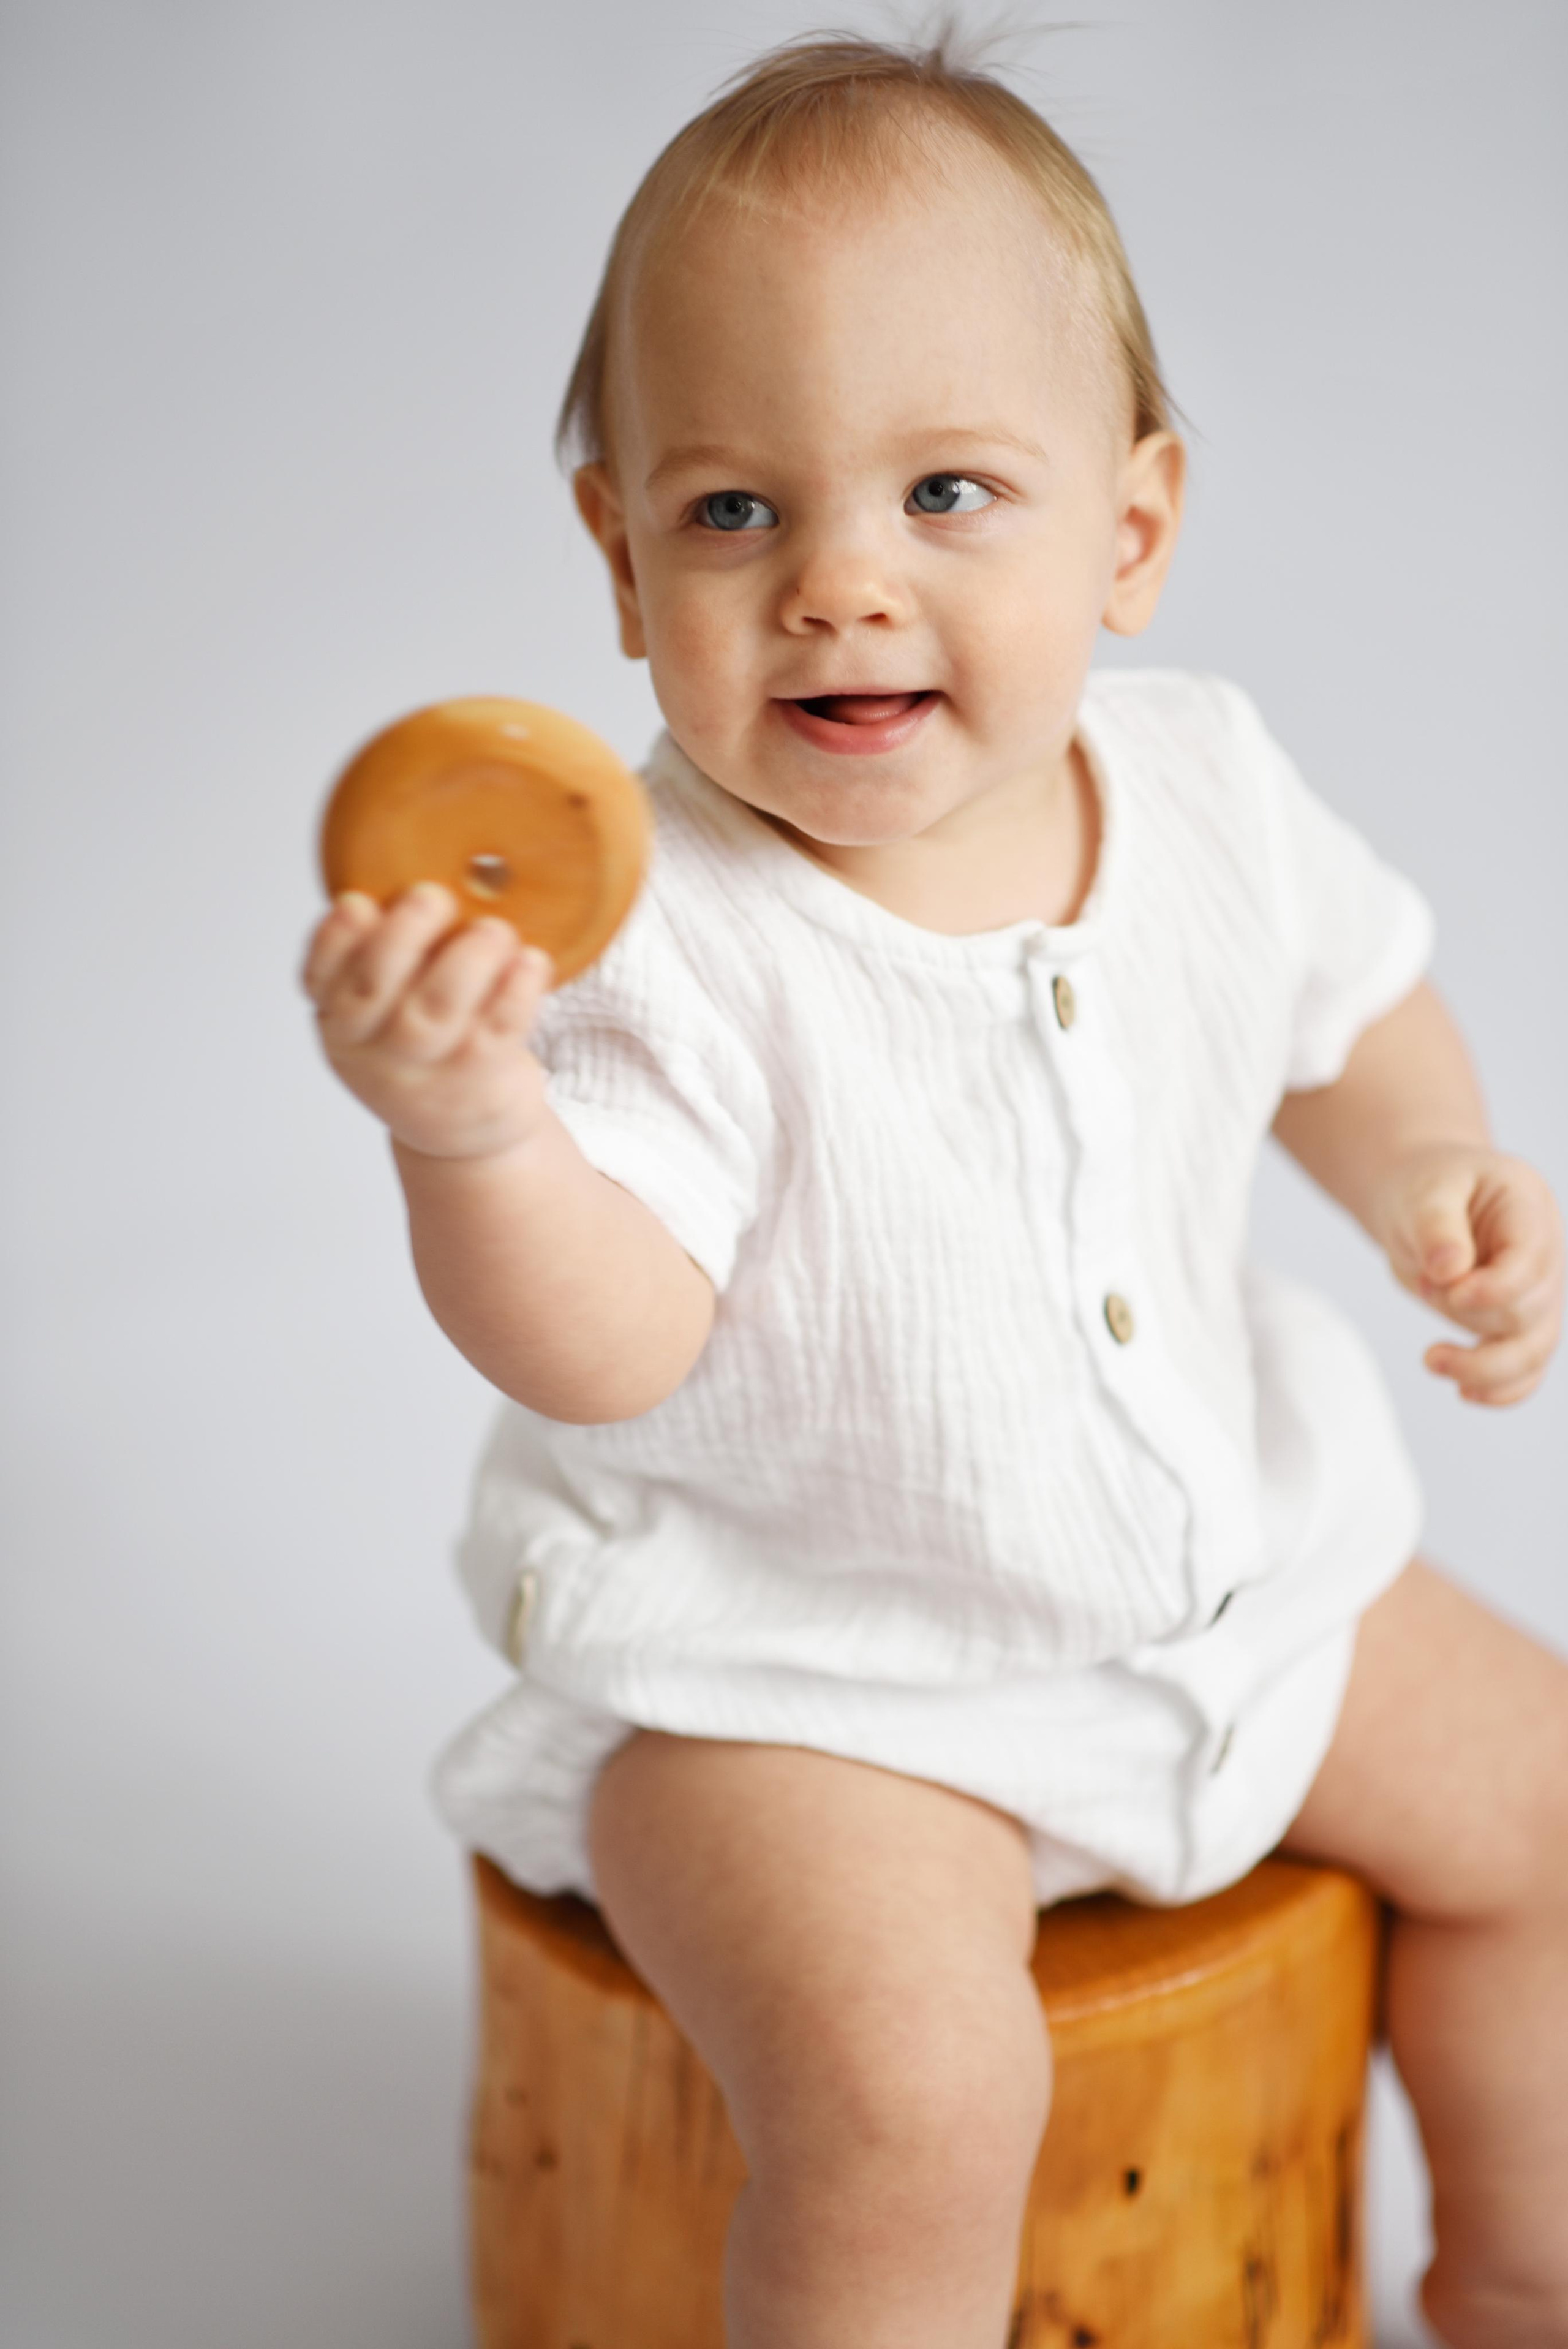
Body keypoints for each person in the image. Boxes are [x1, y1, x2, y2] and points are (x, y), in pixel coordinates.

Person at [298, 32, 1567, 2348]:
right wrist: (474, 1126)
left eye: (951, 493)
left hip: (1222, 1576)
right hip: (801, 1673)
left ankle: (1512, 2270)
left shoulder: (1199, 779)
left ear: (1137, 528)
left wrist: (1431, 1163)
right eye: (735, 511)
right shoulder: (643, 930)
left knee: (1547, 1802)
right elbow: (614, 1338)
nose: (840, 586)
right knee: (914, 2096)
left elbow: (1352, 1003)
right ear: (618, 556)